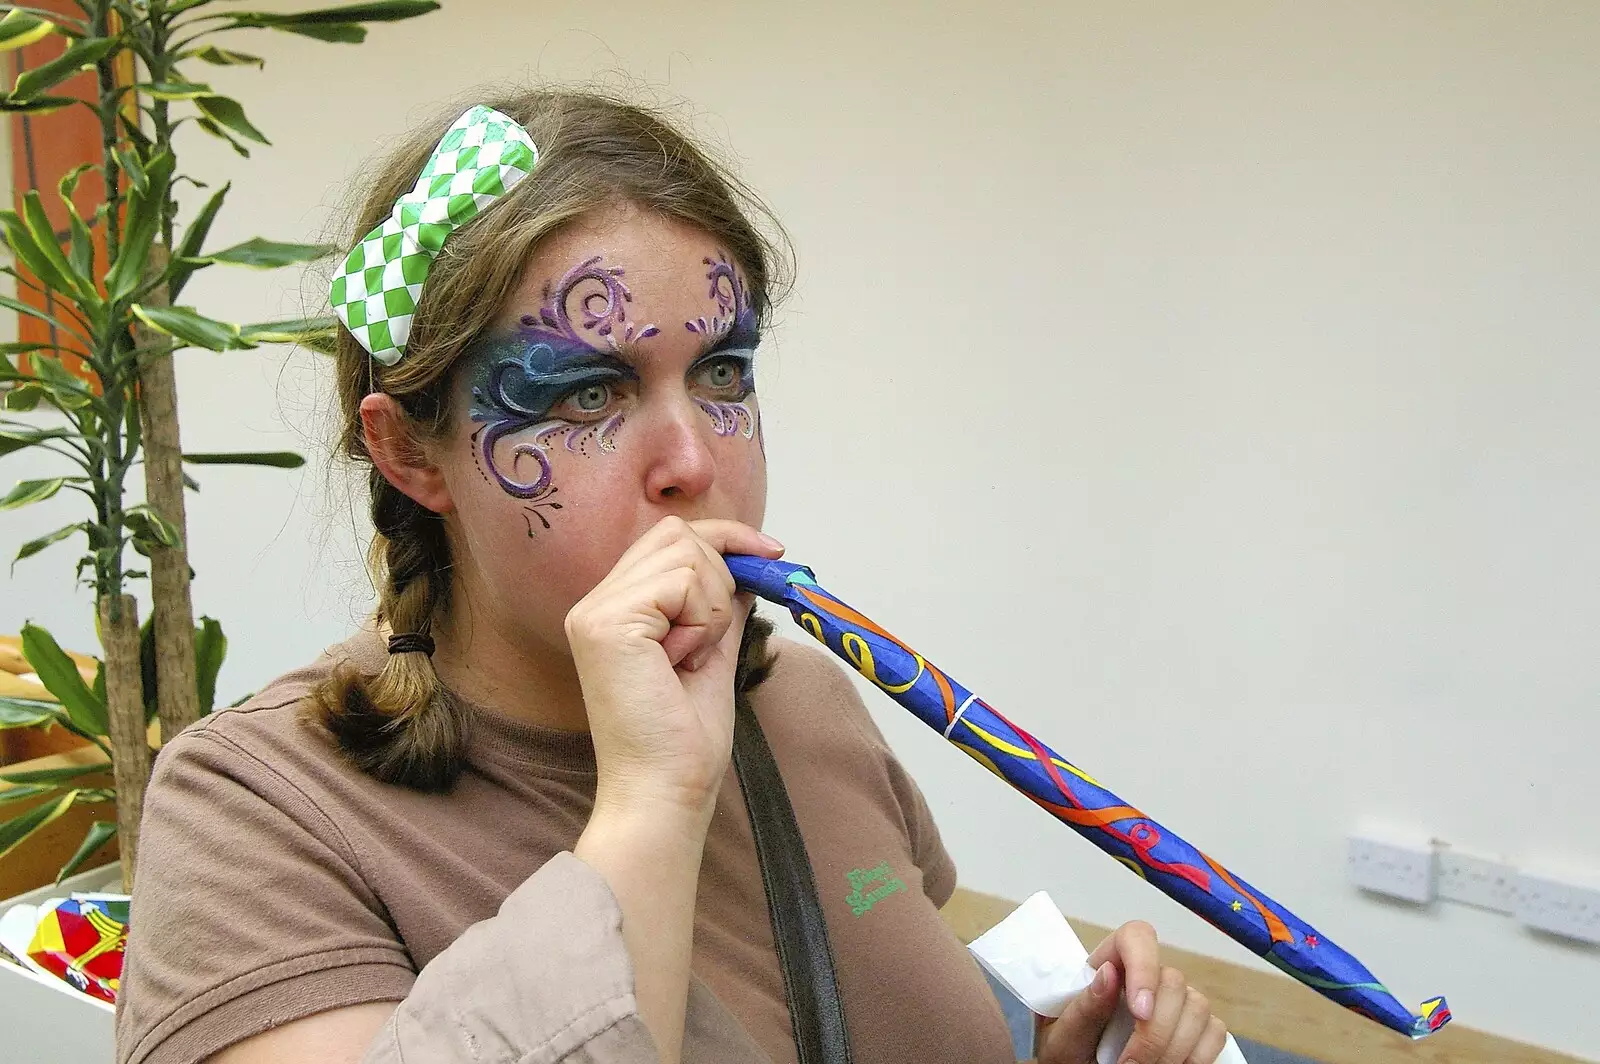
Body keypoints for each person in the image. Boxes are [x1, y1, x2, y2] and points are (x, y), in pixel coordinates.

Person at [115, 91, 1232, 1064]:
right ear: (412, 452)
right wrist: (651, 801)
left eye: (721, 371)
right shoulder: (253, 811)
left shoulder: (807, 702)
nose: (693, 459)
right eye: (589, 392)